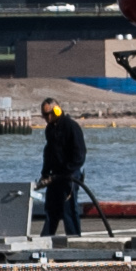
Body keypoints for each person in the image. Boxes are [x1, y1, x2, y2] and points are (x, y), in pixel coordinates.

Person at [38, 97, 86, 236]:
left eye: (48, 114)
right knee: (51, 211)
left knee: (69, 212)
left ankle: (74, 242)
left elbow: (79, 155)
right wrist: (45, 173)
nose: (46, 118)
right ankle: (45, 241)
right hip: (55, 177)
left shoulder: (71, 127)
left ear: (57, 110)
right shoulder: (50, 129)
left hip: (69, 177)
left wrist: (67, 172)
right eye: (44, 115)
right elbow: (49, 153)